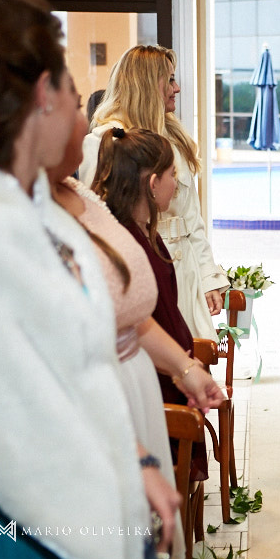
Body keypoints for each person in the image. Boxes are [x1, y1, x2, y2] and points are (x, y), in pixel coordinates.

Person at [0, 0, 173, 559]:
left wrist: (132, 461)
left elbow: (72, 374)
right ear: (44, 93)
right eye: (71, 84)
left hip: (69, 502)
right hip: (13, 523)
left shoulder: (34, 209)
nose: (82, 107)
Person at [50, 99, 227, 559]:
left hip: (139, 379)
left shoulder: (81, 196)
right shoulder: (33, 214)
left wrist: (186, 367)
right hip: (98, 390)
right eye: (71, 105)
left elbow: (132, 315)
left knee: (138, 546)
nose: (85, 120)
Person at [82, 45, 229, 340]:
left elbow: (192, 218)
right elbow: (97, 218)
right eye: (170, 79)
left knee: (192, 359)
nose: (177, 88)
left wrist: (207, 275)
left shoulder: (174, 136)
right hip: (142, 266)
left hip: (184, 269)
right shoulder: (107, 139)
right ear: (147, 83)